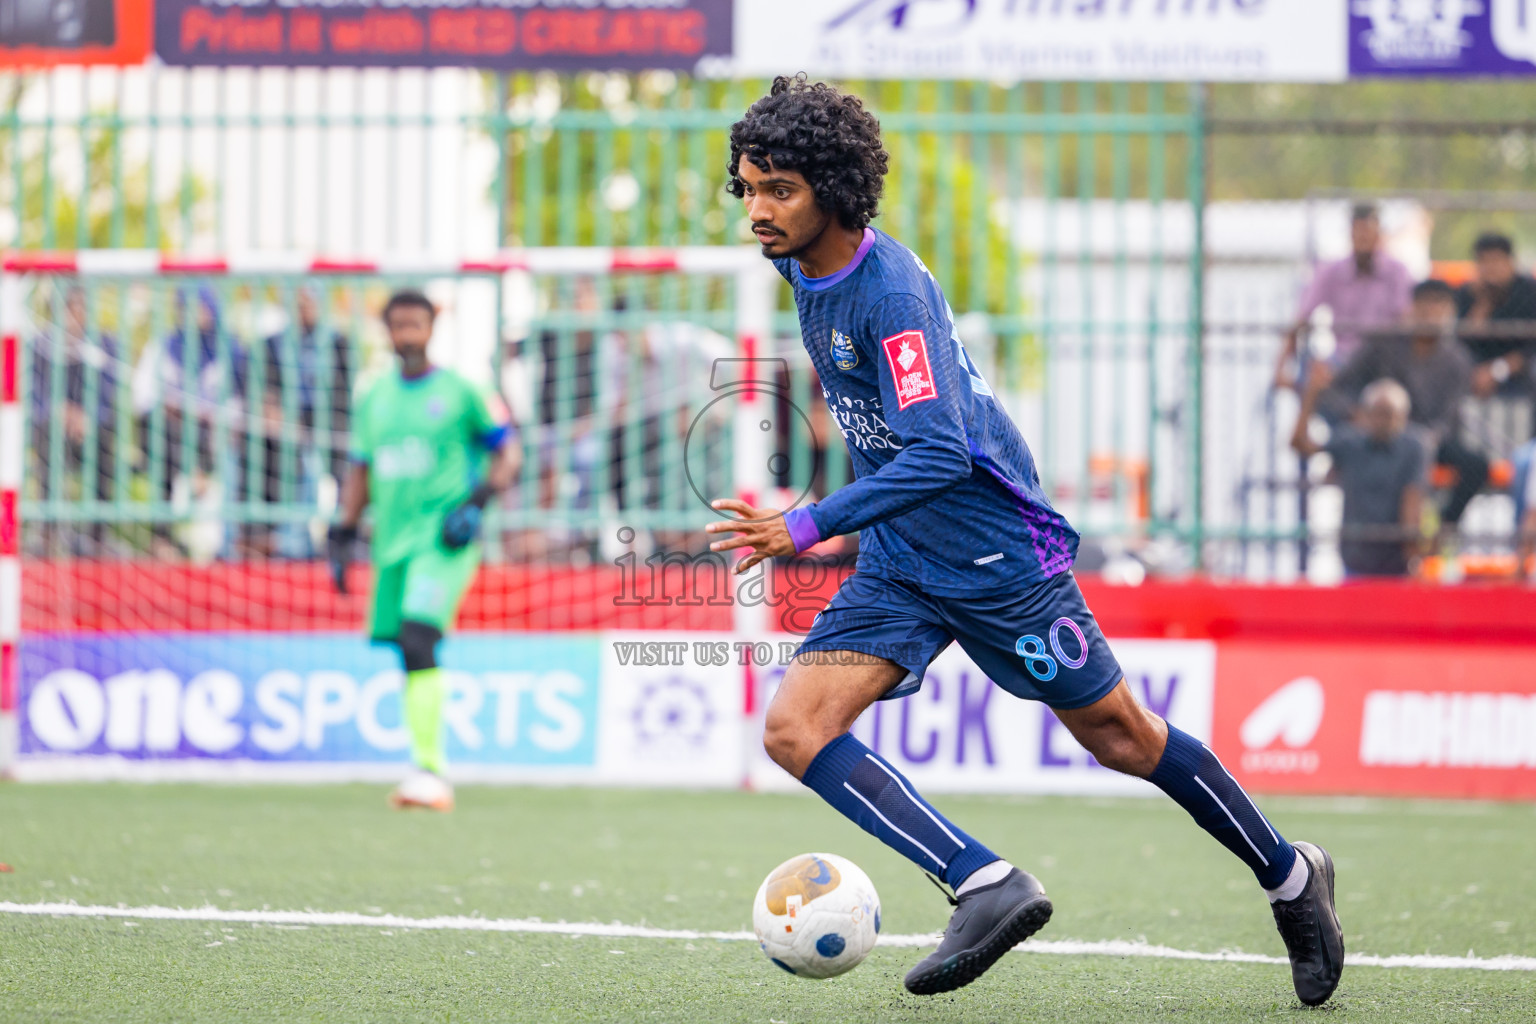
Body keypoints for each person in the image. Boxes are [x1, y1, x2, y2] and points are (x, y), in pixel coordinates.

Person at [706, 76, 1343, 1006]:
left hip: (997, 556)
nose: (757, 211)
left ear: (835, 192)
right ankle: (983, 882)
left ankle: (1292, 879)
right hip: (900, 556)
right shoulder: (798, 262)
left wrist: (803, 525)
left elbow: (939, 452)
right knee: (795, 729)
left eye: (780, 190)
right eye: (749, 188)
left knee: (1122, 737)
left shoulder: (891, 296)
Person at [327, 290, 520, 812]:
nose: (407, 334)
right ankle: (423, 764)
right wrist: (343, 531)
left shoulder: (463, 391)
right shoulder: (374, 397)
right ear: (386, 332)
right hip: (393, 542)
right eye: (398, 326)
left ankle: (431, 771)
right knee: (405, 648)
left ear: (432, 328)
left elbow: (509, 450)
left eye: (416, 324)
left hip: (445, 539)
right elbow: (362, 468)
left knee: (418, 637)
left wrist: (477, 501)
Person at [1321, 280, 1483, 539]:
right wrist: (1358, 415)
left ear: (1450, 313)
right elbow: (1338, 389)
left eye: (1439, 308)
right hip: (1379, 435)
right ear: (1411, 309)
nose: (1431, 315)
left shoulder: (1458, 360)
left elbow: (1447, 417)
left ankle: (1440, 529)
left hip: (1427, 439)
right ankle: (1372, 538)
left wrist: (1426, 439)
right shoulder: (1383, 344)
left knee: (1477, 465)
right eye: (1424, 307)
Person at [1293, 376, 1425, 577]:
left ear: (1403, 416)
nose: (1385, 421)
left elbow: (1412, 501)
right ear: (1366, 414)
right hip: (1355, 560)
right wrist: (1311, 395)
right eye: (1379, 413)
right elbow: (1300, 444)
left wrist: (1413, 556)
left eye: (1390, 414)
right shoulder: (1350, 442)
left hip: (1396, 563)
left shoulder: (1413, 448)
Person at [1274, 202, 1414, 390]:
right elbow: (1302, 317)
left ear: (1378, 234)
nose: (1363, 239)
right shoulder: (1331, 271)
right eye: (1359, 232)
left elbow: (1405, 319)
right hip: (1343, 359)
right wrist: (1280, 369)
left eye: (1368, 232)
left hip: (1384, 361)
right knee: (1316, 379)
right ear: (1350, 233)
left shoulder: (1397, 272)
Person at [27, 286, 119, 553]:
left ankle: (96, 535)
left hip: (89, 430)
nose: (76, 315)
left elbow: (108, 393)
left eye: (81, 309)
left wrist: (87, 416)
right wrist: (58, 411)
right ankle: (48, 531)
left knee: (105, 441)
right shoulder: (40, 345)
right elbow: (33, 393)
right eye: (70, 308)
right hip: (53, 427)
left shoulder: (103, 345)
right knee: (46, 439)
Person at [1456, 232, 1536, 401]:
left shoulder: (1529, 292)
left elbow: (1530, 348)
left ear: (1510, 261)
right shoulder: (1468, 294)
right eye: (1484, 261)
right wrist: (1482, 304)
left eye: (1496, 260)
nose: (1490, 268)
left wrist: (1497, 370)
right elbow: (1461, 343)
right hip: (1475, 371)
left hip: (1520, 371)